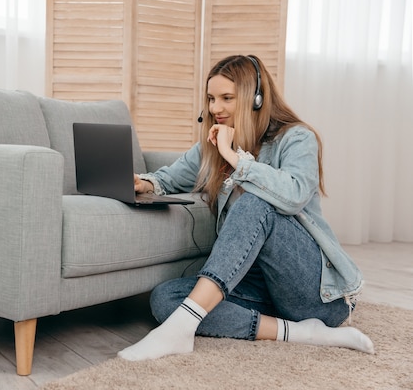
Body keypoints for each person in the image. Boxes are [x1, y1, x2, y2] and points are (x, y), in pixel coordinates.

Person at [117, 54, 374, 362]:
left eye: (227, 98)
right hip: (259, 289)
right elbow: (171, 177)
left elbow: (293, 194)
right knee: (165, 298)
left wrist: (234, 157)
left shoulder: (297, 138)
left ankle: (179, 330)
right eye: (211, 99)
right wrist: (145, 183)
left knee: (256, 201)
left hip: (315, 294)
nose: (215, 108)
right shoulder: (212, 146)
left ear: (256, 99)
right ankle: (302, 333)